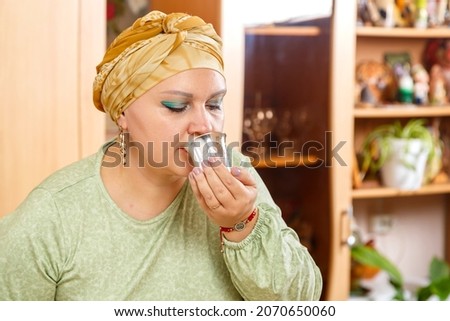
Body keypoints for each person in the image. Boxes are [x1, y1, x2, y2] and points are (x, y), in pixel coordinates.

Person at [0, 10, 322, 301]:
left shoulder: (235, 174)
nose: (204, 126)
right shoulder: (52, 217)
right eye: (176, 107)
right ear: (122, 113)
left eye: (214, 105)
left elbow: (303, 299)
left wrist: (242, 225)